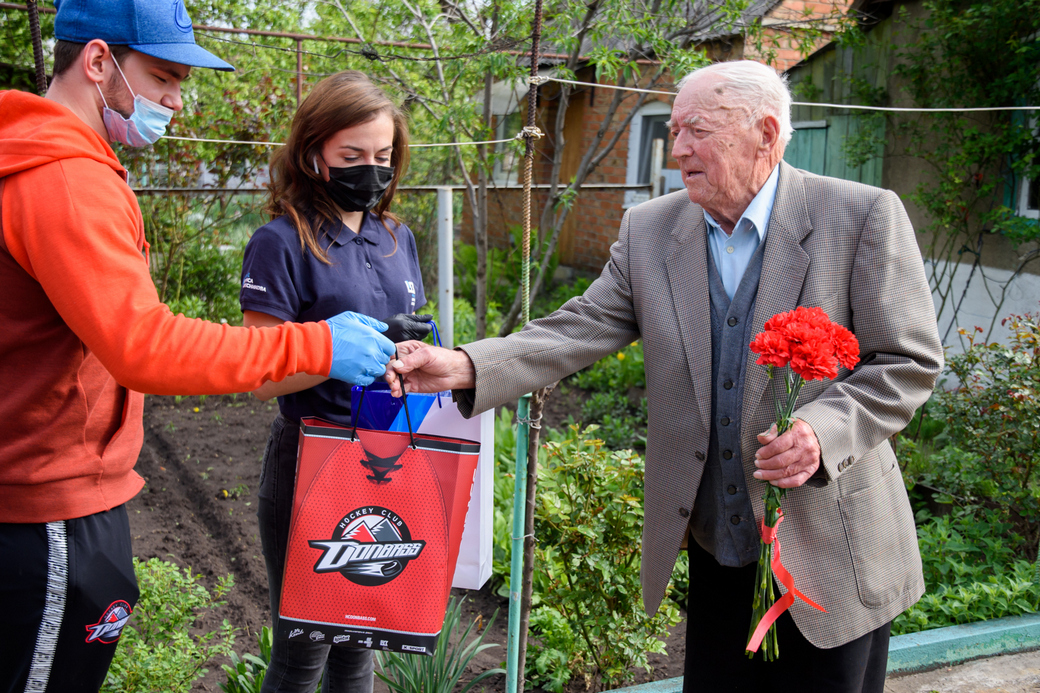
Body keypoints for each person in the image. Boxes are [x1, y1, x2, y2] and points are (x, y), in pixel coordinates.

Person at [387, 60, 944, 692]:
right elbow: (579, 326)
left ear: (765, 134)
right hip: (717, 550)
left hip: (832, 559)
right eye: (674, 130)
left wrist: (822, 431)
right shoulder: (651, 230)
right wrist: (464, 364)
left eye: (696, 131)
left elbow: (908, 361)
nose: (677, 148)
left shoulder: (861, 215)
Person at [0, 3, 398, 692]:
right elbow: (142, 345)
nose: (176, 102)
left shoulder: (51, 163)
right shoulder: (67, 181)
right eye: (162, 77)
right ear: (97, 62)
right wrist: (315, 344)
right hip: (46, 504)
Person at [238, 70, 430, 693]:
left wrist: (408, 349)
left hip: (388, 450)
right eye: (351, 156)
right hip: (311, 458)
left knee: (363, 643)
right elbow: (261, 376)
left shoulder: (397, 237)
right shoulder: (281, 242)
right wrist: (339, 352)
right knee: (304, 650)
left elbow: (413, 346)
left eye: (382, 157)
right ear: (312, 151)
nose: (369, 171)